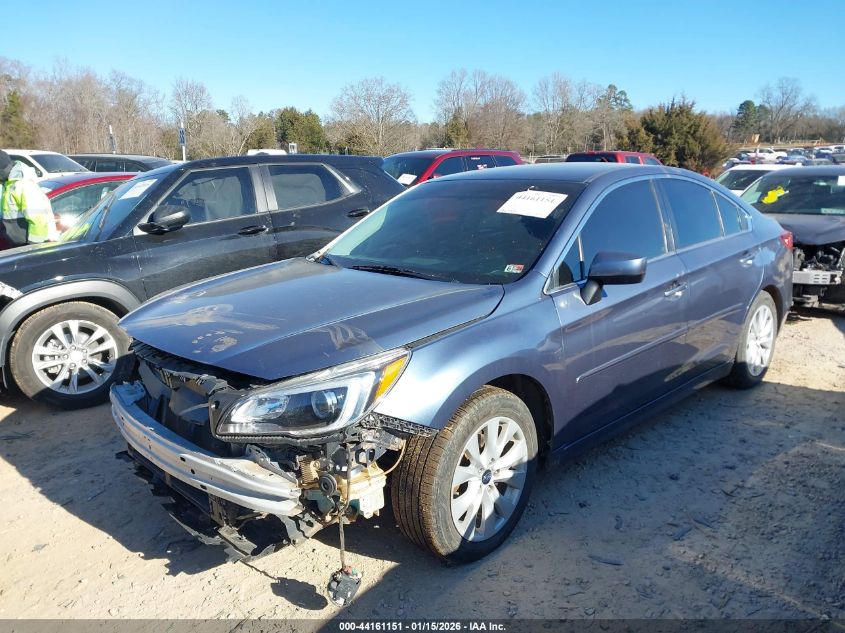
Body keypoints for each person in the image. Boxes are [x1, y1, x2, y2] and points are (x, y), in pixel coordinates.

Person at [0, 150, 58, 249]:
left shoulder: (23, 185)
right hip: (17, 246)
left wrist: (32, 248)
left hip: (33, 247)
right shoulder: (8, 185)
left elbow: (39, 219)